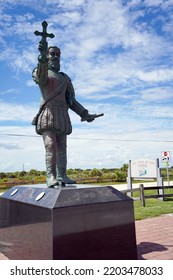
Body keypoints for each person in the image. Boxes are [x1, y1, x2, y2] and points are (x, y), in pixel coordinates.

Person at [32, 45, 96, 187]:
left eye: (58, 54)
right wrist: (41, 58)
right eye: (52, 54)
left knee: (62, 147)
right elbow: (41, 79)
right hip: (47, 114)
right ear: (47, 56)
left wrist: (84, 113)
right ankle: (51, 176)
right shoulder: (40, 71)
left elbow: (71, 100)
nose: (55, 57)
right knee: (50, 145)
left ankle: (62, 175)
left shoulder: (65, 78)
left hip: (62, 115)